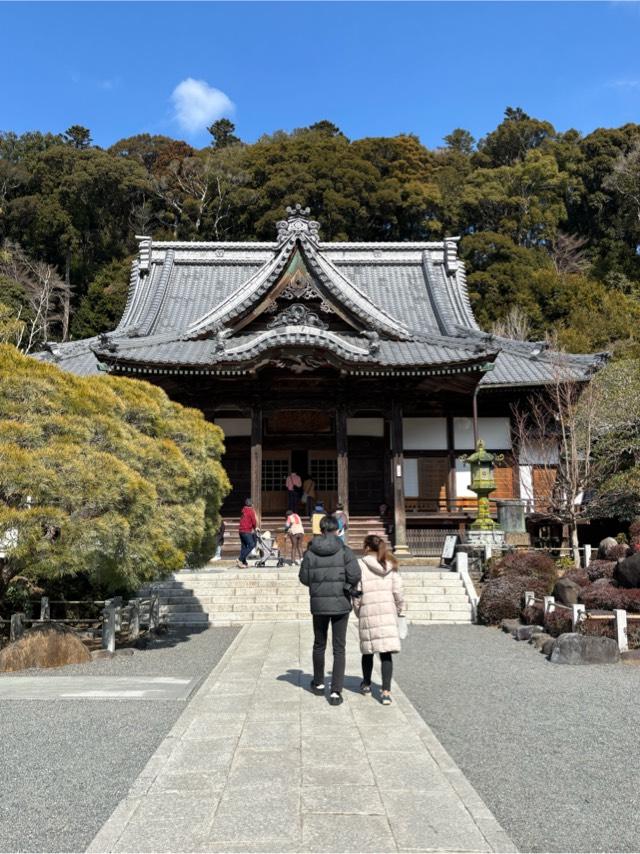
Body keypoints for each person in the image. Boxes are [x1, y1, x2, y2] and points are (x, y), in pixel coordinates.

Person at [299, 515, 361, 706]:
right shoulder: (345, 551)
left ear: (321, 529)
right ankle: (335, 691)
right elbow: (355, 574)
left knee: (319, 644)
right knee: (339, 648)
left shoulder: (310, 552)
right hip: (341, 603)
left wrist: (317, 583)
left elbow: (303, 577)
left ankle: (318, 683)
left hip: (319, 604)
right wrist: (345, 583)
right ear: (337, 529)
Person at [354, 534, 405, 705]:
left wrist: (358, 609)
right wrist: (398, 609)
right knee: (386, 652)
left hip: (368, 609)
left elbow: (357, 591)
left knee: (368, 650)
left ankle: (367, 684)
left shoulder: (361, 565)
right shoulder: (391, 565)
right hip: (387, 610)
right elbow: (398, 591)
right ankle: (385, 691)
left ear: (367, 547)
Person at [237, 498, 258, 567]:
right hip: (246, 530)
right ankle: (240, 559)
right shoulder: (250, 510)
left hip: (241, 531)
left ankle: (244, 562)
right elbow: (254, 521)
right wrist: (255, 528)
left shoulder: (244, 510)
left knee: (244, 546)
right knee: (252, 545)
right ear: (251, 504)